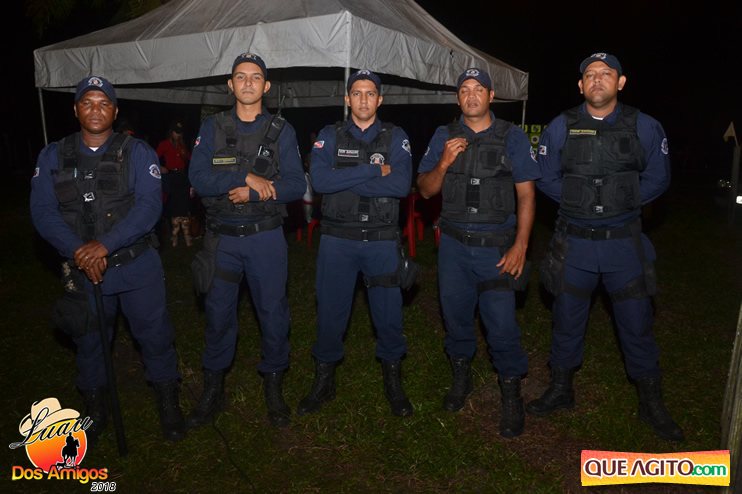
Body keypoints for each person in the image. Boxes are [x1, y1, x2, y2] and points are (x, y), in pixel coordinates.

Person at [530, 53, 684, 442]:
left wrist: (620, 203)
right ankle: (561, 390)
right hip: (575, 245)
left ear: (621, 82)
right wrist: (580, 202)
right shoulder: (561, 126)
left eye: (606, 74)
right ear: (580, 85)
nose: (597, 79)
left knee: (637, 323)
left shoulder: (644, 125)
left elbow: (658, 177)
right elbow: (544, 176)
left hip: (623, 246)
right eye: (590, 75)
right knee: (566, 320)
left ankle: (651, 403)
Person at [30, 76, 186, 445]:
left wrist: (103, 245)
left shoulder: (137, 152)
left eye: (104, 103)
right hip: (84, 270)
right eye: (88, 102)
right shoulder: (54, 155)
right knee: (90, 342)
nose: (96, 110)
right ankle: (96, 409)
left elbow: (149, 208)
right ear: (76, 110)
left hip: (136, 265)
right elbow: (43, 212)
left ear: (114, 112)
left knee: (155, 336)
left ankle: (168, 402)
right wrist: (80, 252)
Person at [417, 68, 540, 438]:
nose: (471, 96)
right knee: (455, 319)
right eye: (464, 90)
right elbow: (425, 190)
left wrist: (521, 245)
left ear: (491, 96)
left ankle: (512, 396)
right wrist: (443, 163)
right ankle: (462, 379)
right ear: (458, 98)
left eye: (479, 89)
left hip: (496, 248)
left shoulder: (512, 136)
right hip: (453, 247)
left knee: (501, 326)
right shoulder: (443, 135)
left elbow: (526, 194)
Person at [188, 53, 305, 428]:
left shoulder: (281, 131)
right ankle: (213, 390)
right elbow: (198, 178)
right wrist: (243, 177)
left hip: (264, 238)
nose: (248, 83)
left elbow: (296, 184)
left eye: (256, 77)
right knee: (218, 316)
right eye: (241, 76)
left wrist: (255, 192)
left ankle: (274, 388)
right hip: (222, 240)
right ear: (230, 85)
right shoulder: (212, 127)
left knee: (273, 315)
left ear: (266, 86)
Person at [297, 70, 414, 418]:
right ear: (347, 99)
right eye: (357, 93)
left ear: (380, 99)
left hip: (381, 240)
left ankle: (393, 382)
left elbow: (401, 185)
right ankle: (324, 381)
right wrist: (374, 170)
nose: (364, 99)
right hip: (338, 240)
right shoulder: (331, 135)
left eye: (370, 93)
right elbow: (320, 181)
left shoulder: (396, 136)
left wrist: (343, 178)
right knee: (330, 315)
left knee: (389, 316)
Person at [156, 120, 193, 247]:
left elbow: (189, 157)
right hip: (170, 176)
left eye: (180, 133)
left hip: (182, 176)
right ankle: (173, 232)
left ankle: (186, 233)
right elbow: (153, 158)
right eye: (176, 132)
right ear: (171, 132)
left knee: (183, 203)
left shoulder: (182, 144)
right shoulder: (164, 144)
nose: (178, 135)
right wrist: (160, 167)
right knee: (171, 203)